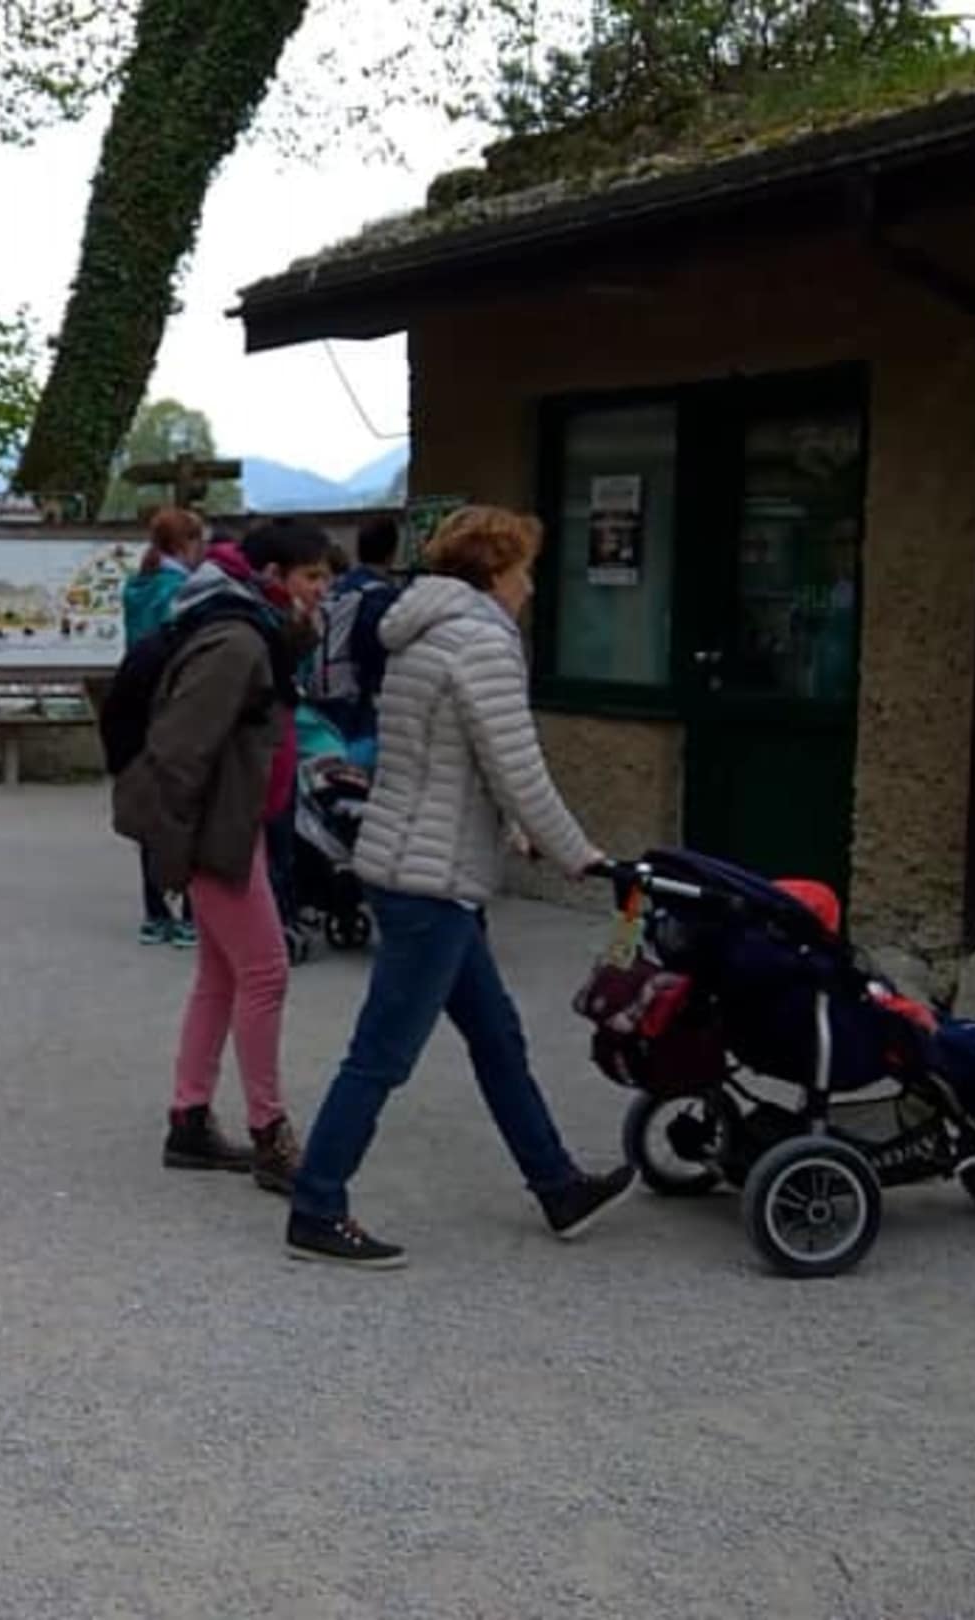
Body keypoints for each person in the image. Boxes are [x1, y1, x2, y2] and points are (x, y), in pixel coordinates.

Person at [285, 506, 634, 1267]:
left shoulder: (423, 630)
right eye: (525, 571)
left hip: (418, 863)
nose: (530, 587)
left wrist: (509, 834)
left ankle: (557, 1185)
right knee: (382, 1054)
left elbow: (443, 761)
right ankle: (316, 1206)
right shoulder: (481, 641)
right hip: (431, 881)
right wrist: (578, 854)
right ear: (495, 572)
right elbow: (517, 767)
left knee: (497, 1036)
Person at [113, 520, 334, 1191]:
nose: (323, 589)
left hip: (236, 827)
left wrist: (301, 630)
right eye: (312, 577)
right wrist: (176, 852)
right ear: (272, 577)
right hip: (220, 834)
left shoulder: (249, 625)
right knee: (265, 973)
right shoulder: (236, 640)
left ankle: (190, 1118)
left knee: (222, 976)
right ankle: (270, 1134)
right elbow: (181, 750)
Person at [121, 506, 208, 948]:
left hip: (138, 701)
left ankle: (155, 912)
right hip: (174, 702)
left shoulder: (137, 586)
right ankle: (191, 912)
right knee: (188, 805)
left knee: (150, 807)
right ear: (186, 543)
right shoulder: (184, 591)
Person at [309, 516, 405, 775]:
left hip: (326, 680)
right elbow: (375, 648)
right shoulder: (381, 596)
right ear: (392, 552)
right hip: (357, 689)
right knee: (358, 756)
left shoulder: (339, 587)